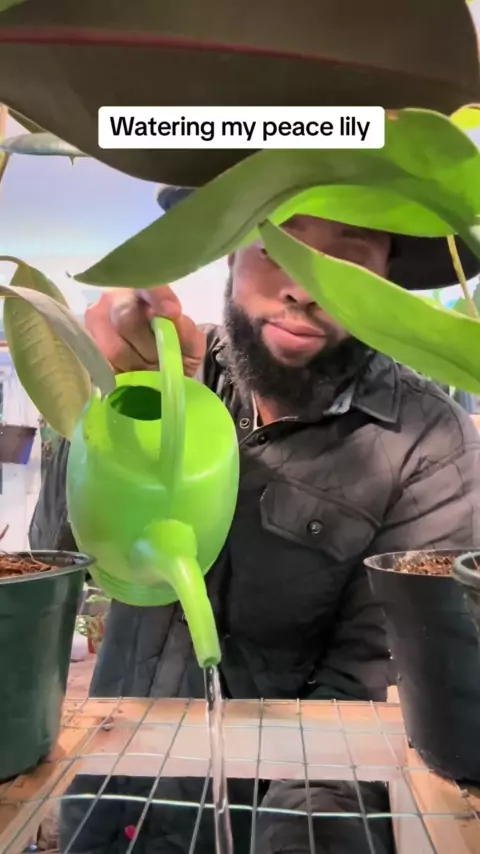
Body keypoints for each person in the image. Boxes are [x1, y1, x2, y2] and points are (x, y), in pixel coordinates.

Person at [30, 196, 480, 854]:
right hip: (102, 809)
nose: (301, 286)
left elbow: (368, 694)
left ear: (386, 275)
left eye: (348, 256)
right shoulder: (167, 377)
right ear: (232, 249)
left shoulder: (427, 449)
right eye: (278, 244)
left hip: (260, 827)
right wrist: (102, 406)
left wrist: (295, 838)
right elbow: (54, 556)